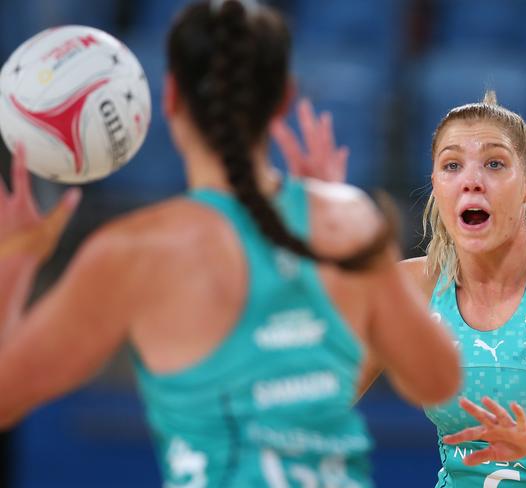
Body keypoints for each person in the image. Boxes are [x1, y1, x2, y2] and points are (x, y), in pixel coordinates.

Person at [0, 1, 461, 486]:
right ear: (285, 98)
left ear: (171, 97)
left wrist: (17, 255)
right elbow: (437, 379)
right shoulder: (346, 220)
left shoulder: (134, 253)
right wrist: (335, 214)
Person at [274, 91, 526, 486]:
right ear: (435, 184)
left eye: (495, 164)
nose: (471, 181)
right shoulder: (410, 287)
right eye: (452, 165)